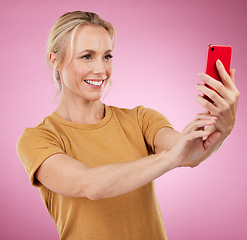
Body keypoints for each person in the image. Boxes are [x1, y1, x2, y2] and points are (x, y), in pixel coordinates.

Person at [16, 11, 239, 240]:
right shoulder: (38, 139)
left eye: (107, 56)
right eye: (87, 56)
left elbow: (190, 154)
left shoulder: (141, 119)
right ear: (56, 60)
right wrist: (171, 157)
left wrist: (222, 128)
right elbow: (90, 185)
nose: (101, 69)